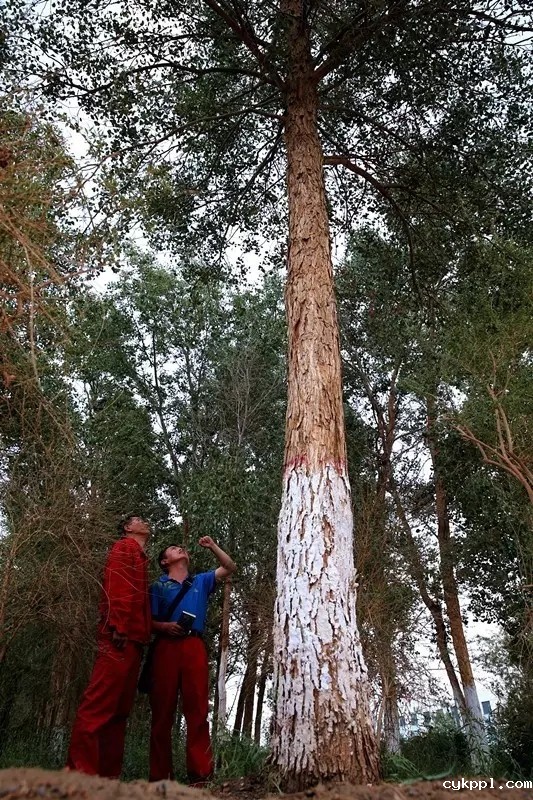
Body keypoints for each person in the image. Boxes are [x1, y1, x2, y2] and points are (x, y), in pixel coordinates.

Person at [66, 515, 151, 777]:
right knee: (98, 706)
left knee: (119, 712)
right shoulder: (124, 548)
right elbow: (118, 585)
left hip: (134, 641)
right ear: (127, 528)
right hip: (119, 638)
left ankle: (107, 776)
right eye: (138, 520)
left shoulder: (140, 557)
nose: (145, 522)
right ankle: (80, 774)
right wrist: (118, 625)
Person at [149, 535, 236, 785]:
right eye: (173, 548)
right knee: (162, 713)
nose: (180, 548)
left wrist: (212, 546)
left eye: (180, 547)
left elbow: (229, 567)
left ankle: (200, 775)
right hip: (165, 647)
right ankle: (160, 777)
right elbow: (148, 621)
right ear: (165, 561)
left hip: (194, 646)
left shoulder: (200, 580)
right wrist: (165, 626)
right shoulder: (158, 586)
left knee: (198, 710)